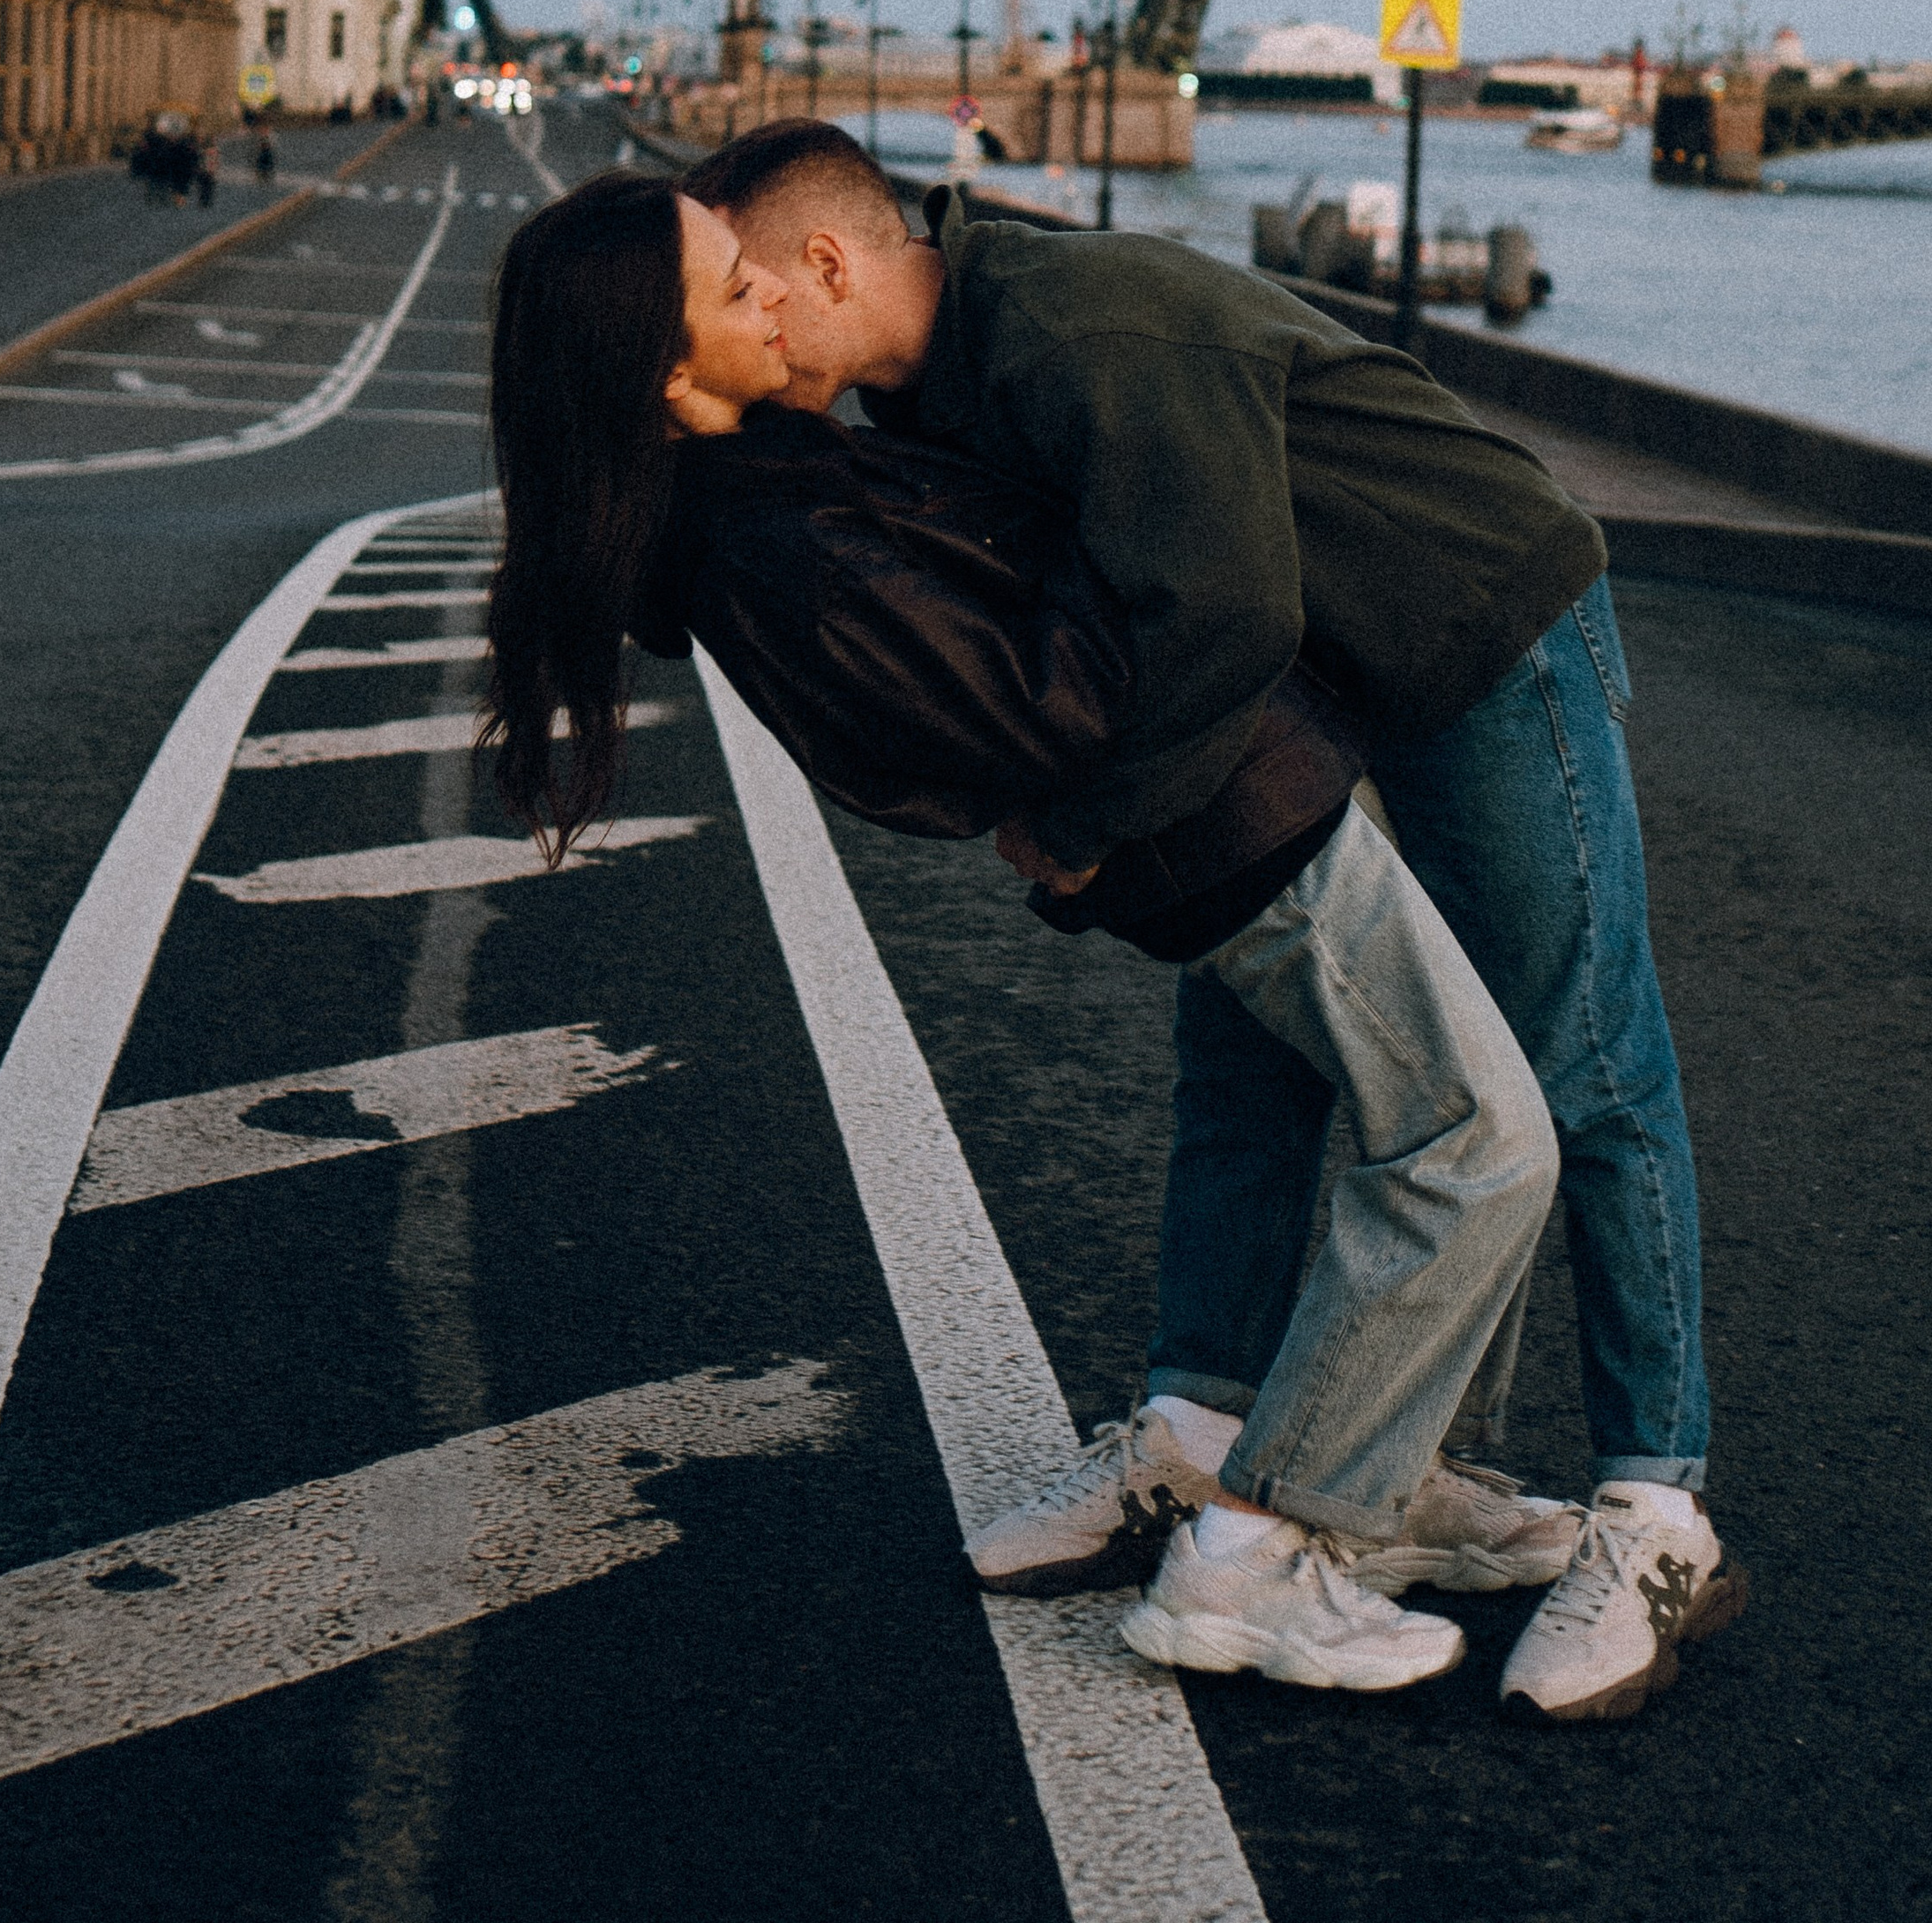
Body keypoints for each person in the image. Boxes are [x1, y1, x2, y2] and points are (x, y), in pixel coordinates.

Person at [687, 120, 1746, 1725]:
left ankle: (1656, 1507)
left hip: (1468, 622)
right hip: (1301, 685)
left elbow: (1220, 615)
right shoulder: (925, 382)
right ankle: (1223, 1442)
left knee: (1578, 1051)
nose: (754, 341)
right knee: (1248, 1070)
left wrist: (1084, 833)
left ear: (830, 263)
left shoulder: (1066, 333)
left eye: (756, 299)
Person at [482, 170, 1567, 1696]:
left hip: (1228, 815)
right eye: (735, 292)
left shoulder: (770, 486)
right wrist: (1140, 552)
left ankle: (1382, 1480)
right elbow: (1045, 699)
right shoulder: (770, 542)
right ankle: (1263, 1549)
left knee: (1416, 1128)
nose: (778, 299)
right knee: (1478, 1147)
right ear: (664, 376)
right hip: (1235, 828)